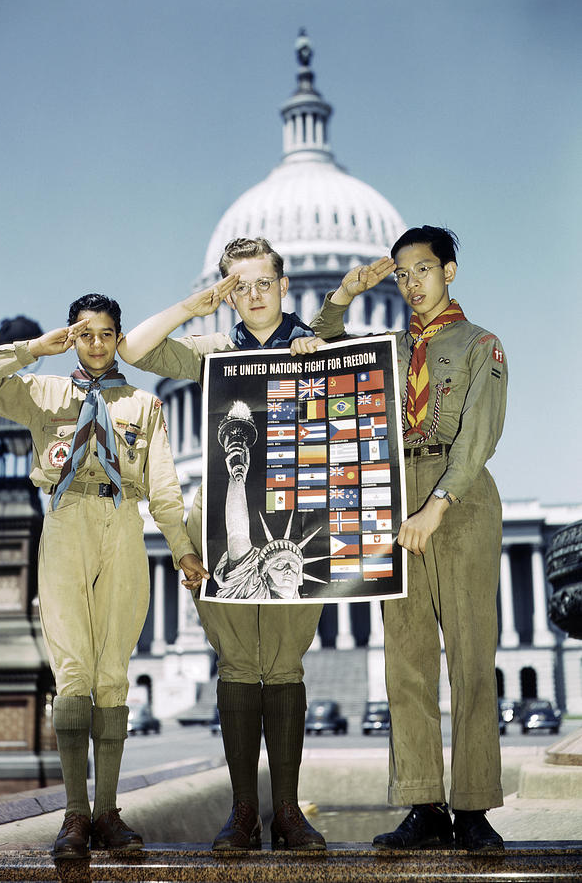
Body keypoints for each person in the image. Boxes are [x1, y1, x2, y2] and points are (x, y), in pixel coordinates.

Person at [118, 237, 393, 851]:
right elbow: (133, 349)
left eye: (262, 281)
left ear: (284, 284)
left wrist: (325, 356)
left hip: (299, 520)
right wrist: (197, 307)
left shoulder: (319, 344)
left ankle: (288, 811)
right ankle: (244, 811)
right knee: (239, 663)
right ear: (226, 293)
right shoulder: (215, 351)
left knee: (285, 664)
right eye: (237, 286)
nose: (252, 294)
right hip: (219, 513)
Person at [0, 294, 208, 860]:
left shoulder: (143, 404)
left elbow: (166, 490)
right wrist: (31, 350)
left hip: (122, 523)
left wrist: (183, 551)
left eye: (106, 334)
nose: (96, 344)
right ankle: (75, 814)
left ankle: (108, 813)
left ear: (119, 339)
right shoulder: (41, 392)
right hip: (66, 521)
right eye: (85, 333)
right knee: (71, 671)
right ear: (72, 336)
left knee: (113, 674)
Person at [311, 226, 507, 852]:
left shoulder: (481, 344)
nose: (411, 282)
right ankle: (424, 803)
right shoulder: (389, 350)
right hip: (396, 497)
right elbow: (322, 346)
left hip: (462, 494)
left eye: (422, 269)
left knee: (472, 660)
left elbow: (479, 433)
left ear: (449, 271)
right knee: (407, 663)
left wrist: (438, 506)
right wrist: (344, 293)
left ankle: (473, 808)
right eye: (401, 273)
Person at [213, 400, 321, 601]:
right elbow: (238, 535)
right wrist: (238, 477)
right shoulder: (252, 590)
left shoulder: (302, 605)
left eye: (293, 566)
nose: (289, 570)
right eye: (279, 565)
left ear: (300, 580)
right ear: (261, 574)